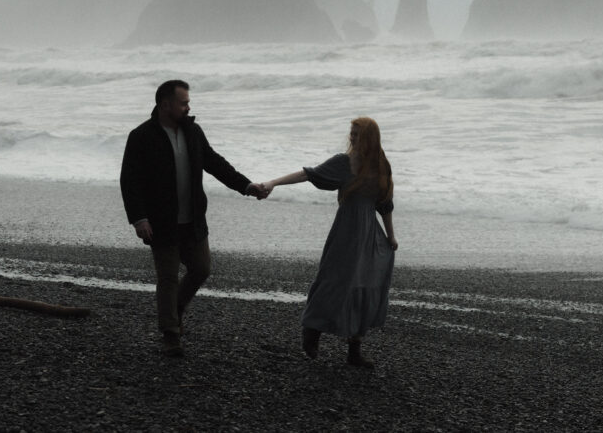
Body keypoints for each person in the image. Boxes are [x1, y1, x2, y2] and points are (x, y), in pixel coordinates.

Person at [120, 80, 266, 357]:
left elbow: (214, 163)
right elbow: (130, 181)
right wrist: (139, 219)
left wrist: (246, 186)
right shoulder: (141, 136)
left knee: (201, 268)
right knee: (168, 277)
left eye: (188, 102)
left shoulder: (193, 131)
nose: (188, 107)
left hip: (193, 219)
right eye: (183, 102)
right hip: (161, 221)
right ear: (165, 105)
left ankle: (174, 311)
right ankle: (171, 334)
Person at [261, 117, 398, 368]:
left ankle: (354, 350)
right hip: (346, 230)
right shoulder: (342, 163)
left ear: (370, 138)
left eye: (357, 134)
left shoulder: (381, 166)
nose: (352, 138)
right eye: (351, 133)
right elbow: (308, 174)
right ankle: (312, 329)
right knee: (333, 279)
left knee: (364, 285)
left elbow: (385, 204)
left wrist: (390, 235)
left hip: (369, 232)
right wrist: (273, 183)